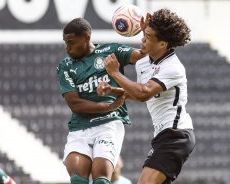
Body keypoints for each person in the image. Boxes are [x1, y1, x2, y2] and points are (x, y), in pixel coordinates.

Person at [97, 8, 196, 184]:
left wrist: (115, 73)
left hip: (176, 135)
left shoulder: (173, 67)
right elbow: (139, 93)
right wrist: (113, 90)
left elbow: (143, 93)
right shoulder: (143, 62)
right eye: (144, 34)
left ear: (162, 44)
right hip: (163, 135)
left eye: (148, 36)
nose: (142, 39)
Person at [57, 16, 150, 184]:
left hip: (108, 124)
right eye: (65, 42)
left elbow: (144, 56)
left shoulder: (111, 52)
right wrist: (110, 105)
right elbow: (75, 104)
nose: (67, 47)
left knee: (101, 179)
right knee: (77, 179)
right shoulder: (66, 66)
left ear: (86, 38)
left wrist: (145, 34)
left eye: (71, 42)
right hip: (80, 128)